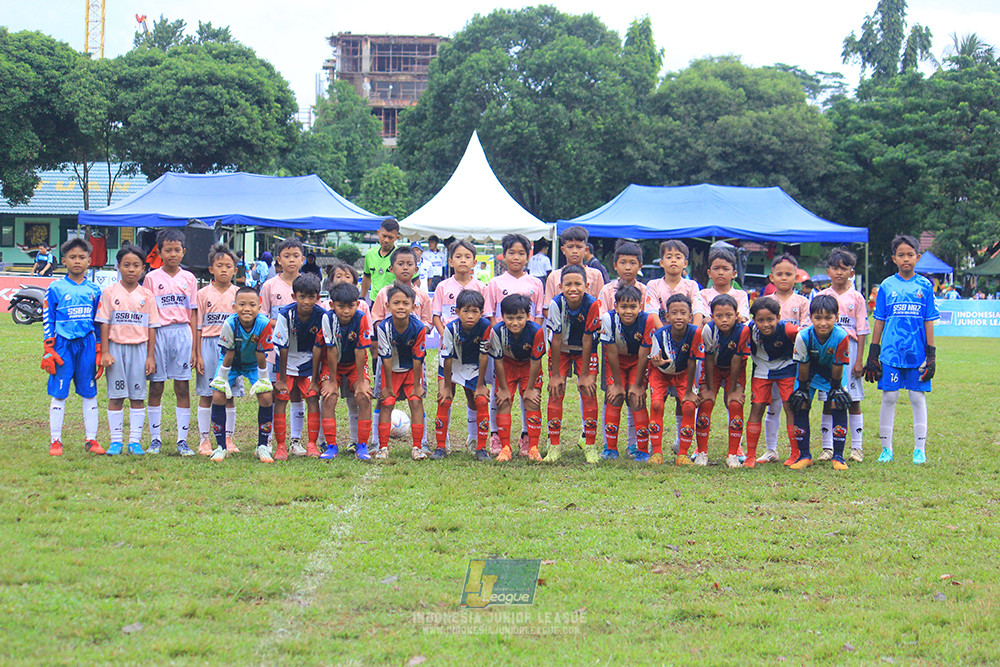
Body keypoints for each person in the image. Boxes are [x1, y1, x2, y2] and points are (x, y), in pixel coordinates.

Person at [863, 234, 938, 464]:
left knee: (917, 396)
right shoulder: (887, 285)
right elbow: (880, 319)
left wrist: (931, 354)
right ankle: (886, 449)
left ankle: (920, 449)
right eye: (901, 255)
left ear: (918, 257)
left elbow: (928, 320)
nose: (906, 259)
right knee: (890, 397)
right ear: (894, 258)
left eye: (910, 255)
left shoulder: (925, 285)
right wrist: (873, 353)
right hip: (891, 353)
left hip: (916, 354)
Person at [483, 234, 546, 456]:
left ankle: (529, 439)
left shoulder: (536, 283)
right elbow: (491, 315)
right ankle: (498, 438)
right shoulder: (495, 283)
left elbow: (538, 315)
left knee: (530, 396)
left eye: (521, 253)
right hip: (503, 349)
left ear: (528, 256)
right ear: (504, 255)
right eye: (512, 252)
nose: (516, 257)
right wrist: (500, 337)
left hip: (528, 350)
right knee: (501, 394)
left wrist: (530, 336)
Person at [41, 237, 104, 456]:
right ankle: (56, 441)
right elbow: (47, 317)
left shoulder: (95, 289)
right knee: (59, 393)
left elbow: (98, 322)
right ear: (64, 261)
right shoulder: (55, 287)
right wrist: (49, 347)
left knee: (90, 393)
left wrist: (98, 349)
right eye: (72, 257)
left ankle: (91, 440)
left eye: (82, 257)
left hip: (86, 346)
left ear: (89, 260)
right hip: (62, 346)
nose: (77, 261)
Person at [97, 243, 159, 455]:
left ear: (143, 268)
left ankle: (134, 441)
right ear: (118, 267)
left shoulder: (147, 295)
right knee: (116, 396)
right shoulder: (109, 292)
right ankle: (116, 441)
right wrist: (105, 352)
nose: (131, 269)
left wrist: (150, 356)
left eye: (136, 265)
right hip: (116, 349)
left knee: (137, 397)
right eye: (126, 265)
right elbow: (104, 323)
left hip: (139, 350)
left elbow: (152, 328)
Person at [144, 228, 198, 456]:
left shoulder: (189, 278)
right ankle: (155, 439)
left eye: (177, 250)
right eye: (168, 250)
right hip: (159, 333)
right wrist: (149, 349)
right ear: (159, 252)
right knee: (156, 386)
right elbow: (148, 313)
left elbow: (193, 314)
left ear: (183, 252)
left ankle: (182, 440)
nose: (173, 254)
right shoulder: (151, 278)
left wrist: (195, 348)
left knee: (182, 386)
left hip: (182, 334)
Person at [206, 287, 275, 463]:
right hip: (231, 363)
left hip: (254, 363)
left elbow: (261, 354)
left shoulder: (263, 323)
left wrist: (263, 379)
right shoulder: (230, 323)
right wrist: (221, 379)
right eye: (242, 304)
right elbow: (228, 354)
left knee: (266, 397)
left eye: (252, 304)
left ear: (259, 307)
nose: (247, 308)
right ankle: (221, 446)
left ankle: (262, 446)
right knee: (218, 395)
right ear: (234, 306)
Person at [544, 265, 602, 463]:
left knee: (588, 391)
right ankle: (554, 445)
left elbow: (588, 340)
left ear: (587, 285)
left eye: (578, 284)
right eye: (568, 284)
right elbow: (556, 339)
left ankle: (590, 444)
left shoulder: (592, 304)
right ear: (560, 286)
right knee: (556, 391)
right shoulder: (556, 303)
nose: (573, 288)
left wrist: (584, 374)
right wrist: (554, 375)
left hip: (585, 350)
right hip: (561, 350)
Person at [788, 295, 853, 470]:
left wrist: (836, 388)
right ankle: (804, 455)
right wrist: (802, 389)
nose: (823, 323)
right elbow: (803, 364)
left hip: (833, 373)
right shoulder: (803, 336)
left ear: (836, 318)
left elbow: (839, 365)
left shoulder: (841, 336)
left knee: (838, 403)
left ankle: (838, 456)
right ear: (811, 318)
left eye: (828, 318)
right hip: (808, 372)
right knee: (800, 404)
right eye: (818, 318)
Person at [431, 241, 484, 453]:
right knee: (445, 394)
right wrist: (448, 337)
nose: (463, 260)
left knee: (473, 395)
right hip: (449, 350)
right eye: (458, 256)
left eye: (467, 257)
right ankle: (443, 442)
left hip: (472, 352)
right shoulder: (443, 287)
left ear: (474, 261)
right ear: (450, 261)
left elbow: (485, 318)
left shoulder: (480, 287)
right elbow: (436, 317)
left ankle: (472, 440)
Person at [480, 294, 547, 462]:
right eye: (510, 318)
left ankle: (533, 447)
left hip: (528, 367)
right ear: (502, 317)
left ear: (528, 316)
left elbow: (536, 361)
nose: (515, 322)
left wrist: (530, 388)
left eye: (520, 317)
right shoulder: (496, 331)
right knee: (503, 401)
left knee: (533, 401)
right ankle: (505, 448)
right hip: (507, 366)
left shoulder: (536, 331)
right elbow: (498, 361)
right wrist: (503, 389)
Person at [817, 247, 869, 462]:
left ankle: (856, 448)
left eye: (844, 268)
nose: (839, 272)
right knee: (827, 399)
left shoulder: (857, 298)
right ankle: (827, 448)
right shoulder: (822, 296)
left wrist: (859, 362)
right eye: (835, 268)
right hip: (827, 353)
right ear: (828, 271)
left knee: (853, 400)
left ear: (852, 272)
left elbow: (862, 330)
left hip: (851, 352)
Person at [759, 254, 811, 465]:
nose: (783, 278)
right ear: (771, 277)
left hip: (793, 363)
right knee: (772, 405)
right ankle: (770, 450)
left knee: (792, 405)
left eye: (788, 274)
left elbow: (806, 331)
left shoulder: (803, 302)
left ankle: (796, 450)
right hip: (769, 362)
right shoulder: (766, 302)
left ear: (796, 277)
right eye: (779, 274)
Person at [737, 296, 800, 468]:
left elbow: (805, 339)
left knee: (789, 407)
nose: (765, 324)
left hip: (786, 368)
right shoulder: (748, 330)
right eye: (760, 320)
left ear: (778, 317)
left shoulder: (789, 330)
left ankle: (796, 453)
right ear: (754, 320)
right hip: (762, 370)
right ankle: (750, 456)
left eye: (770, 320)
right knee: (756, 407)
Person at [315, 282, 374, 460]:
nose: (346, 311)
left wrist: (362, 382)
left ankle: (361, 445)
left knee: (364, 396)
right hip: (332, 363)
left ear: (357, 304)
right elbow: (331, 350)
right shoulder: (328, 319)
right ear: (332, 305)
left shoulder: (361, 318)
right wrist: (332, 381)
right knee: (329, 397)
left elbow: (360, 350)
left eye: (351, 306)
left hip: (354, 364)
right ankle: (331, 445)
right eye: (341, 306)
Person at [260, 238, 307, 454]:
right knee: (273, 394)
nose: (291, 260)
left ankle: (295, 440)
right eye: (286, 256)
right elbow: (262, 317)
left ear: (303, 259)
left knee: (297, 393)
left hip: (300, 353)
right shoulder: (270, 285)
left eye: (296, 255)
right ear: (278, 260)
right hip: (274, 351)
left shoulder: (306, 284)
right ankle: (268, 438)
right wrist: (283, 323)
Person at [272, 274, 326, 460]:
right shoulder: (285, 314)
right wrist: (281, 380)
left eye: (311, 297)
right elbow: (283, 346)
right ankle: (280, 445)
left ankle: (311, 443)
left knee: (312, 397)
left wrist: (316, 377)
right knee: (281, 397)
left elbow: (320, 347)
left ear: (318, 297)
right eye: (302, 296)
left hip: (308, 362)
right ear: (294, 297)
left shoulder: (321, 316)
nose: (306, 301)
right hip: (285, 361)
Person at [194, 244, 240, 456]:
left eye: (228, 266)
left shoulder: (239, 294)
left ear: (235, 270)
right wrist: (197, 354)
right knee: (207, 394)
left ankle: (228, 438)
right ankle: (204, 440)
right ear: (211, 269)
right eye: (219, 265)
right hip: (209, 345)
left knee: (228, 395)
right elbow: (197, 326)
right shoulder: (203, 294)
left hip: (232, 348)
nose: (224, 269)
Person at [600, 285, 655, 460]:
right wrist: (616, 384)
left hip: (638, 362)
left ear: (641, 306)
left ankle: (643, 449)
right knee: (614, 397)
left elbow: (644, 352)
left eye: (633, 307)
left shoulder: (647, 320)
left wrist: (638, 385)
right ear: (616, 307)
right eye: (624, 307)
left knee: (636, 398)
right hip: (617, 362)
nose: (628, 311)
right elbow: (611, 352)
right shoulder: (608, 319)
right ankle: (610, 448)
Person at [435, 290, 492, 459]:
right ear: (457, 311)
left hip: (472, 366)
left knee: (480, 400)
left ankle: (480, 446)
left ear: (482, 313)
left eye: (475, 311)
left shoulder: (485, 327)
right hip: (451, 366)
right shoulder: (450, 329)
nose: (470, 315)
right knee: (444, 400)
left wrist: (480, 385)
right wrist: (446, 387)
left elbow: (483, 356)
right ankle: (440, 447)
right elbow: (447, 358)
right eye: (465, 311)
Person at [375, 283, 427, 460]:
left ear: (413, 306)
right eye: (396, 303)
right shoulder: (383, 327)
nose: (401, 307)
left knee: (415, 402)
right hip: (391, 371)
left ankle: (418, 447)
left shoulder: (418, 327)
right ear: (387, 306)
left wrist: (418, 384)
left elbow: (418, 357)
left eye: (405, 303)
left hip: (411, 370)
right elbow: (386, 358)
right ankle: (382, 447)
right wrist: (388, 386)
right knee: (387, 403)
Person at [648, 294, 702, 466]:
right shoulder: (659, 334)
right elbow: (654, 360)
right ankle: (656, 452)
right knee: (656, 405)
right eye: (674, 313)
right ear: (667, 316)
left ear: (690, 315)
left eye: (683, 313)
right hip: (660, 373)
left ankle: (683, 454)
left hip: (684, 372)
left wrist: (688, 392)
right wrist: (657, 362)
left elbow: (693, 361)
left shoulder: (695, 332)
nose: (679, 316)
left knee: (688, 405)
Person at [696, 294, 748, 469]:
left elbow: (736, 361)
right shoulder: (708, 330)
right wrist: (710, 387)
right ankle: (701, 451)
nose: (724, 320)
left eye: (729, 315)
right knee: (706, 401)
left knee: (735, 403)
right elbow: (708, 359)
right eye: (719, 316)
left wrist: (732, 389)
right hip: (714, 368)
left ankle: (733, 453)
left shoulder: (742, 331)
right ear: (712, 316)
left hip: (736, 369)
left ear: (737, 314)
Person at [647, 240, 707, 328]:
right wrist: (663, 335)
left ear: (685, 264)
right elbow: (652, 314)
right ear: (661, 263)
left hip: (686, 334)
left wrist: (693, 334)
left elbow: (698, 312)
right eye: (669, 257)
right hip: (660, 334)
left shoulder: (692, 285)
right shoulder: (653, 285)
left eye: (678, 257)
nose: (673, 260)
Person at [544, 227, 605, 311]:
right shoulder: (554, 276)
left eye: (579, 247)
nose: (574, 251)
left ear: (586, 250)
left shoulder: (596, 275)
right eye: (570, 247)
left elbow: (601, 306)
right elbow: (547, 308)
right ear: (563, 250)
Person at [700, 247, 750, 322]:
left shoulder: (741, 295)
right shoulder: (703, 295)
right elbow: (705, 319)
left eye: (725, 269)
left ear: (734, 274)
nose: (720, 273)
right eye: (716, 268)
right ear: (709, 273)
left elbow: (742, 318)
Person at [361, 220, 400, 304]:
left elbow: (414, 280)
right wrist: (362, 298)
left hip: (394, 302)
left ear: (396, 238)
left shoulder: (400, 255)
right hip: (374, 301)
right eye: (384, 236)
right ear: (378, 233)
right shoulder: (370, 254)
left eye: (390, 237)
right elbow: (367, 276)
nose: (386, 240)